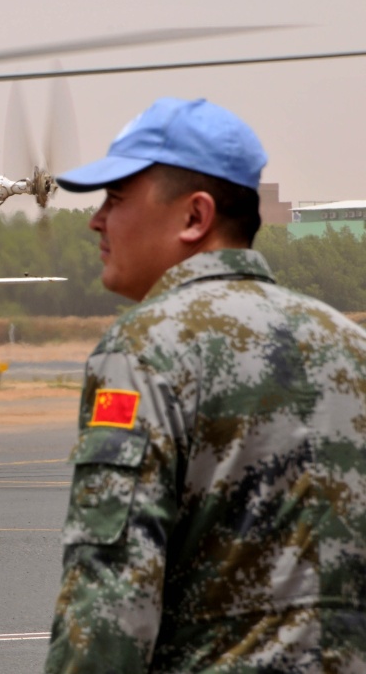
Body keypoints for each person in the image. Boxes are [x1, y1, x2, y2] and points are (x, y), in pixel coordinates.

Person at [44, 97, 366, 673]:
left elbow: (110, 603)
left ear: (196, 216)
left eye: (116, 199)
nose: (97, 220)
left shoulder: (144, 349)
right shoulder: (350, 347)